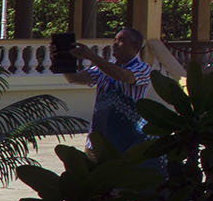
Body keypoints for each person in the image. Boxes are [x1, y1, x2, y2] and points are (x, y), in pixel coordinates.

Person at [65, 27, 154, 155]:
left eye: (121, 41)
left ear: (134, 46)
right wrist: (61, 60)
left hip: (126, 140)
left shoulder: (143, 68)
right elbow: (74, 78)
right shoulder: (104, 67)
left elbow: (124, 76)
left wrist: (92, 57)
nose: (115, 44)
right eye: (115, 40)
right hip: (97, 140)